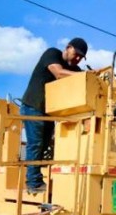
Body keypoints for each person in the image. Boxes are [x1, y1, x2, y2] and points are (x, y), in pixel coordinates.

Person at [19, 37, 87, 193]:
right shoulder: (52, 54)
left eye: (81, 57)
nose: (77, 59)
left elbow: (84, 76)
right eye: (76, 54)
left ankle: (36, 178)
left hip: (48, 111)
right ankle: (33, 182)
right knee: (35, 144)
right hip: (33, 106)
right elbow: (59, 73)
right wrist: (85, 75)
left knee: (44, 144)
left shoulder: (73, 69)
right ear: (68, 47)